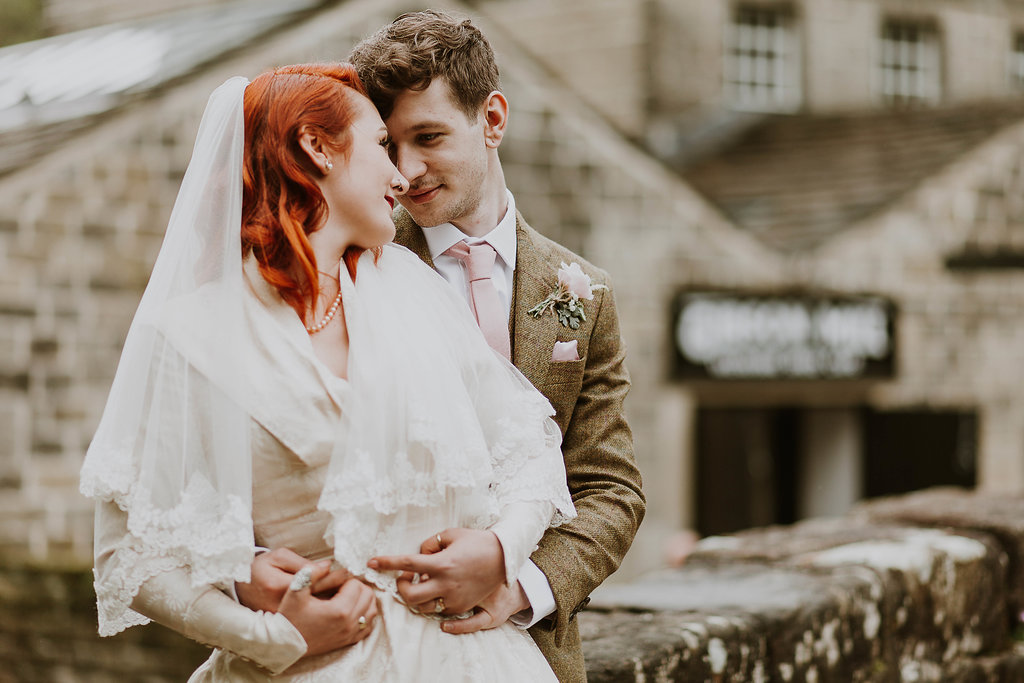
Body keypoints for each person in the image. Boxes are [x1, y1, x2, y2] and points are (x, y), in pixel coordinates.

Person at [80, 62, 575, 681]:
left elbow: (529, 448)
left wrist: (500, 548)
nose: (399, 176)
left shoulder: (412, 287)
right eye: (378, 146)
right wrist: (270, 634)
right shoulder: (185, 337)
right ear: (318, 149)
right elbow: (129, 556)